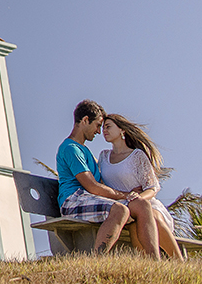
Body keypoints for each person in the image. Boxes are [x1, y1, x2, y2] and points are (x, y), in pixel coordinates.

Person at [56, 100, 161, 257]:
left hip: (89, 199)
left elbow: (100, 183)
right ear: (85, 120)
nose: (99, 131)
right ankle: (98, 259)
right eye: (98, 125)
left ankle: (155, 261)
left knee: (141, 205)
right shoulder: (71, 149)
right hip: (73, 200)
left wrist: (134, 195)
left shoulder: (86, 152)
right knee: (119, 209)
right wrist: (125, 195)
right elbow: (92, 186)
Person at [99, 113, 182, 258]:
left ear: (121, 130)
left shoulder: (137, 156)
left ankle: (178, 261)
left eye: (108, 127)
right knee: (134, 221)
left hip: (144, 203)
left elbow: (152, 187)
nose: (104, 131)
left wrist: (137, 197)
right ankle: (149, 264)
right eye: (102, 128)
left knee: (153, 216)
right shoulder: (103, 156)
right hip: (120, 206)